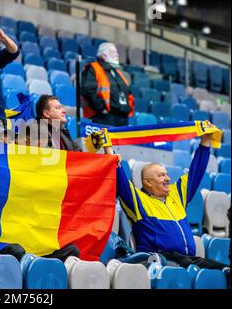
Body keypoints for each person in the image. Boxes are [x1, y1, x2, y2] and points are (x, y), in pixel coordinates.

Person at [105, 133, 229, 270]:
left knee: (225, 270)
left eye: (167, 174)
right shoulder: (138, 201)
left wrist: (206, 139)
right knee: (189, 267)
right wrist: (109, 149)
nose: (168, 178)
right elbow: (121, 181)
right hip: (160, 259)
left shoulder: (177, 195)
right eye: (161, 175)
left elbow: (196, 171)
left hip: (189, 259)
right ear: (147, 182)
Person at [81, 42, 134, 127]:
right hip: (103, 117)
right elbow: (88, 90)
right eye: (113, 52)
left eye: (117, 52)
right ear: (104, 55)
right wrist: (101, 108)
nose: (117, 55)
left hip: (122, 117)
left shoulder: (118, 73)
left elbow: (127, 93)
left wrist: (128, 109)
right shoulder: (93, 67)